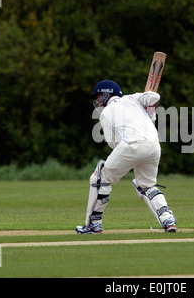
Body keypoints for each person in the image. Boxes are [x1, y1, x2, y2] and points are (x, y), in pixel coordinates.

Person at [75, 80, 177, 234]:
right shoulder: (134, 99)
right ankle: (167, 219)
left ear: (108, 94)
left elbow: (114, 144)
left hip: (133, 144)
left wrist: (130, 155)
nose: (97, 100)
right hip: (155, 145)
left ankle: (93, 224)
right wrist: (150, 112)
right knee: (146, 185)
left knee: (101, 177)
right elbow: (154, 97)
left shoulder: (107, 112)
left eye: (99, 95)